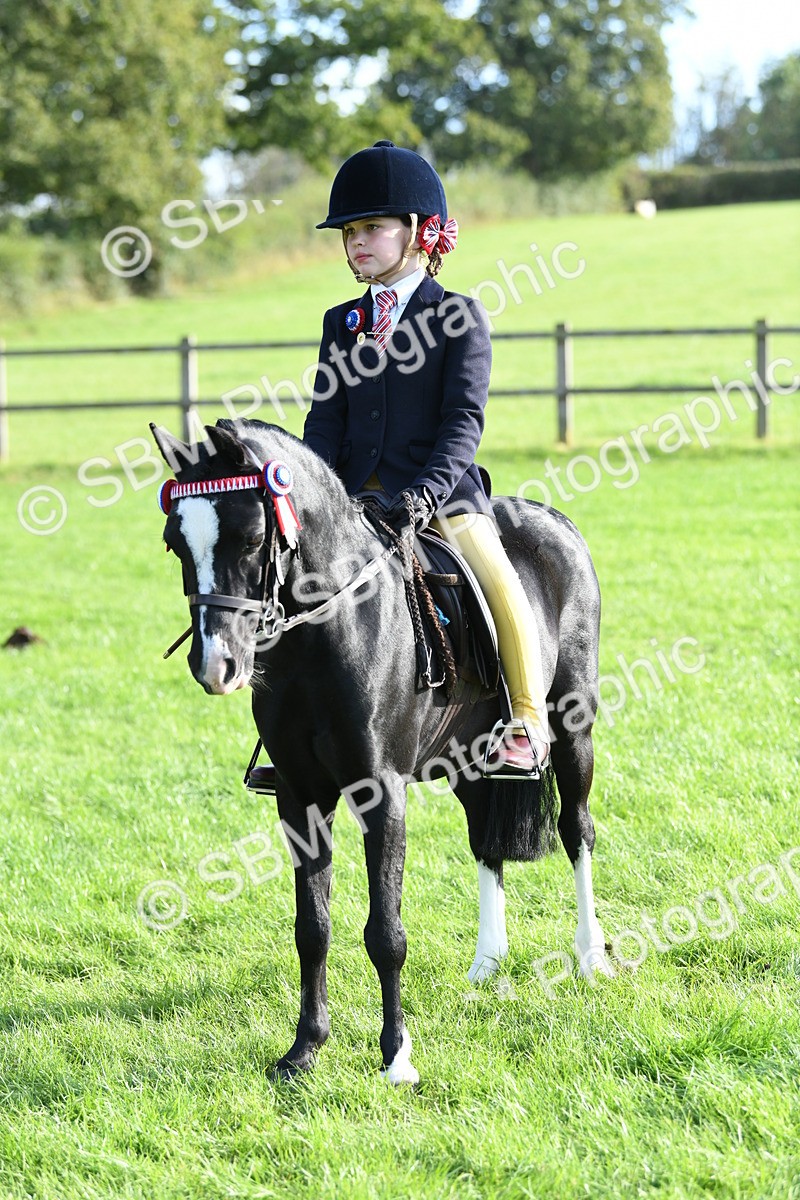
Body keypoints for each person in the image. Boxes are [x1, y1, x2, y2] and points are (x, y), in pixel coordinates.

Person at [295, 140, 551, 776]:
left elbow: (463, 421)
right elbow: (325, 420)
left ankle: (527, 720)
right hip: (353, 496)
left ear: (418, 231)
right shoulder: (340, 323)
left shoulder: (458, 316)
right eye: (349, 232)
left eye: (371, 228)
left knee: (497, 578)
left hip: (439, 494)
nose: (357, 242)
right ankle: (292, 736)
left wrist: (426, 493)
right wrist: (310, 491)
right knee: (294, 584)